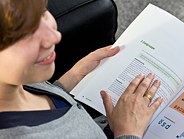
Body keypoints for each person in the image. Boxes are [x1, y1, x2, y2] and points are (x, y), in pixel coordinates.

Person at [0, 0, 163, 139]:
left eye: (42, 12)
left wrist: (68, 81)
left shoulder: (17, 82)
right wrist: (127, 133)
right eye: (23, 34)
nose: (55, 36)